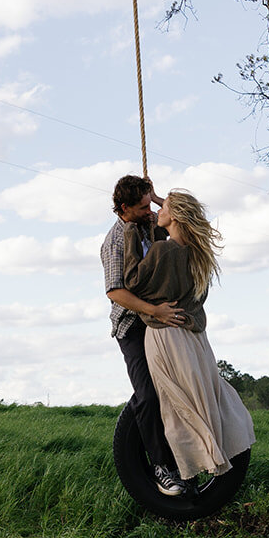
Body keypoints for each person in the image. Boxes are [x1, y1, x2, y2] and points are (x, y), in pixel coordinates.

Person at [121, 189, 255, 483]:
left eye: (163, 207)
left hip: (166, 338)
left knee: (175, 402)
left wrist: (132, 231)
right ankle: (212, 455)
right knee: (199, 394)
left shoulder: (162, 251)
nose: (157, 211)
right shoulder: (196, 254)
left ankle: (183, 468)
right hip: (194, 339)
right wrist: (159, 199)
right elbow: (176, 215)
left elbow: (132, 281)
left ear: (176, 216)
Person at [101, 174, 188, 497]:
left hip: (160, 319)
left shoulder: (150, 221)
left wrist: (156, 198)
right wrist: (155, 312)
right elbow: (115, 292)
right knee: (148, 395)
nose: (149, 210)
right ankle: (162, 467)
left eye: (149, 204)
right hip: (134, 325)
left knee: (180, 385)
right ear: (124, 207)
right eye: (141, 206)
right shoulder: (114, 242)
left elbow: (183, 219)